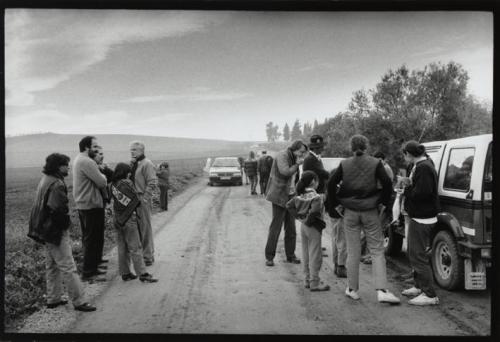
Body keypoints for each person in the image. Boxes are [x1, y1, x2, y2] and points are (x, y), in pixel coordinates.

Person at [326, 134, 400, 304]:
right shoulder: (376, 163)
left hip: (350, 212)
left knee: (353, 251)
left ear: (351, 147)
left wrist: (335, 204)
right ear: (366, 146)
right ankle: (382, 290)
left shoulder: (344, 163)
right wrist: (383, 204)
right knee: (376, 250)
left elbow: (331, 183)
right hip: (370, 211)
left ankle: (352, 289)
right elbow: (388, 183)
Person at [28, 153, 96, 312]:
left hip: (43, 229)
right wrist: (66, 226)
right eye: (66, 164)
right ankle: (79, 301)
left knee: (51, 265)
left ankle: (53, 299)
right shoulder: (57, 184)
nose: (69, 167)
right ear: (58, 166)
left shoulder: (45, 180)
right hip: (54, 231)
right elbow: (57, 210)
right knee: (68, 266)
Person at [400, 141, 440, 306]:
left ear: (409, 154)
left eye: (404, 154)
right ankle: (418, 286)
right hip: (419, 216)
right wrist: (408, 183)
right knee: (413, 252)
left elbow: (423, 192)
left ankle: (430, 295)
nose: (404, 158)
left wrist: (406, 190)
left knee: (418, 256)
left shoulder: (423, 167)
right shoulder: (422, 164)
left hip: (423, 217)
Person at [111, 163, 159, 283]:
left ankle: (125, 273)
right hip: (128, 219)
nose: (130, 174)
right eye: (128, 172)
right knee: (135, 247)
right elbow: (136, 200)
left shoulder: (112, 185)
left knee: (122, 248)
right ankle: (143, 274)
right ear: (124, 172)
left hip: (118, 219)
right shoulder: (127, 183)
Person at [264, 140, 308, 266]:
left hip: (291, 195)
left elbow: (296, 178)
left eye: (304, 153)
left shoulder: (295, 156)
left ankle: (291, 255)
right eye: (301, 152)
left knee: (291, 228)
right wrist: (297, 165)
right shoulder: (282, 155)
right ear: (294, 149)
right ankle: (269, 257)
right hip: (279, 195)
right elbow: (285, 172)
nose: (303, 155)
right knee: (276, 227)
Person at [286, 171, 330, 291]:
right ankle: (314, 282)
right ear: (313, 182)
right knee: (315, 255)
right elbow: (315, 211)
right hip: (313, 227)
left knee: (306, 254)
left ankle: (307, 279)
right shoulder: (316, 197)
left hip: (303, 227)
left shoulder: (299, 195)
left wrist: (300, 218)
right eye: (317, 180)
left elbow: (289, 206)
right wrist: (308, 220)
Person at [73, 136, 108, 282]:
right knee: (91, 238)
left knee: (94, 236)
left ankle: (95, 265)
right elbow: (101, 182)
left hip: (87, 204)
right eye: (94, 146)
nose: (97, 148)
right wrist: (102, 173)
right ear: (87, 147)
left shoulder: (81, 159)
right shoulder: (86, 161)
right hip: (90, 204)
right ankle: (89, 272)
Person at [130, 141, 158, 266]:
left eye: (135, 149)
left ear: (142, 150)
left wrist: (145, 198)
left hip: (142, 199)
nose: (132, 152)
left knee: (145, 228)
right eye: (131, 149)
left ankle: (148, 256)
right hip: (133, 200)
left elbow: (152, 182)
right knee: (138, 228)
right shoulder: (134, 164)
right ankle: (141, 255)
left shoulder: (147, 164)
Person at [92, 145, 114, 267]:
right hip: (95, 202)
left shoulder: (101, 168)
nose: (102, 156)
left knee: (99, 232)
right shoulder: (93, 168)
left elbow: (112, 176)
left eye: (102, 153)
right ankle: (94, 261)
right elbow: (102, 183)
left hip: (101, 202)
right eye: (99, 154)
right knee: (94, 234)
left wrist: (105, 168)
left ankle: (98, 258)